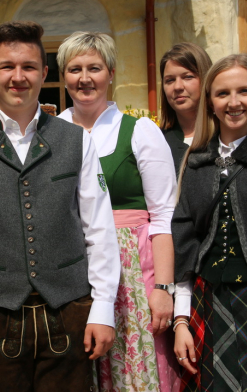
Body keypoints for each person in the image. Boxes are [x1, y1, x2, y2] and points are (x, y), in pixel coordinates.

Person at [0, 21, 121, 392]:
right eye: (7, 66)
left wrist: (103, 308)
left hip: (68, 314)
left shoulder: (76, 141)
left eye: (28, 67)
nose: (18, 77)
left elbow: (99, 229)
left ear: (44, 73)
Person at [57, 31, 180, 392]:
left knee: (134, 372)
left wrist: (162, 288)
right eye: (74, 68)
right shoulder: (51, 133)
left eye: (94, 67)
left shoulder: (140, 130)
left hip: (134, 275)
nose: (84, 78)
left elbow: (163, 215)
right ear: (63, 76)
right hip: (71, 266)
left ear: (111, 73)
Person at [172, 53, 247, 391]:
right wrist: (181, 320)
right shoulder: (198, 160)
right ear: (210, 103)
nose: (234, 102)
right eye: (222, 93)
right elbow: (185, 242)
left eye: (244, 91)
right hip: (209, 302)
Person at [159, 42, 212, 175]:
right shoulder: (158, 142)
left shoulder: (228, 136)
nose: (178, 87)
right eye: (169, 80)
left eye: (188, 77)